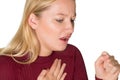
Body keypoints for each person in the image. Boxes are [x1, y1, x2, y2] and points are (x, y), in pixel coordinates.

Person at [0, 0, 120, 80]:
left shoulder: (72, 55)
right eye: (59, 20)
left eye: (72, 20)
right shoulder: (5, 66)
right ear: (33, 21)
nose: (71, 28)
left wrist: (104, 79)